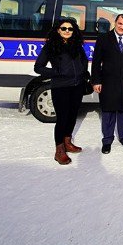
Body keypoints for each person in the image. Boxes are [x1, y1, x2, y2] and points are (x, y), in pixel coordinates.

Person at [34, 17, 88, 165]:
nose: (67, 31)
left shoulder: (76, 45)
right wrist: (56, 72)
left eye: (70, 29)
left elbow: (83, 61)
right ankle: (59, 150)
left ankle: (68, 142)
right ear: (58, 30)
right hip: (61, 87)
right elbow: (38, 67)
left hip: (77, 86)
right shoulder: (51, 46)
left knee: (72, 116)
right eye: (64, 28)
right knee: (62, 118)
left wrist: (84, 73)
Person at [91, 14, 123, 154]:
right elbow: (96, 62)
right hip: (108, 81)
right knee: (108, 111)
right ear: (115, 22)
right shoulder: (103, 38)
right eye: (120, 23)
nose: (122, 27)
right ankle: (107, 140)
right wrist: (96, 81)